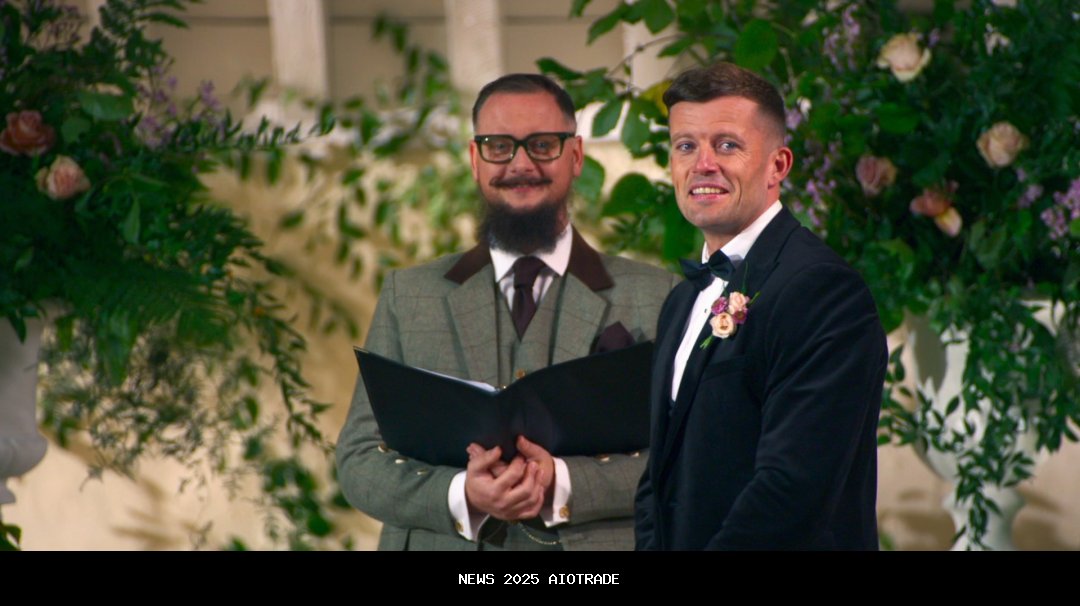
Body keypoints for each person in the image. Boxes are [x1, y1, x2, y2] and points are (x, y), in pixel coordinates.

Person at [337, 73, 679, 550]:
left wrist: (564, 483)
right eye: (499, 146)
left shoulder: (659, 294)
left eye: (542, 145)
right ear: (475, 160)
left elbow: (684, 455)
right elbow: (358, 459)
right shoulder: (406, 295)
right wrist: (461, 494)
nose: (521, 164)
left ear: (576, 155)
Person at [634, 62, 887, 550]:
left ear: (778, 165)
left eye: (727, 145)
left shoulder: (822, 290)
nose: (703, 164)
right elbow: (657, 481)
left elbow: (792, 491)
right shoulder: (681, 301)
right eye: (685, 146)